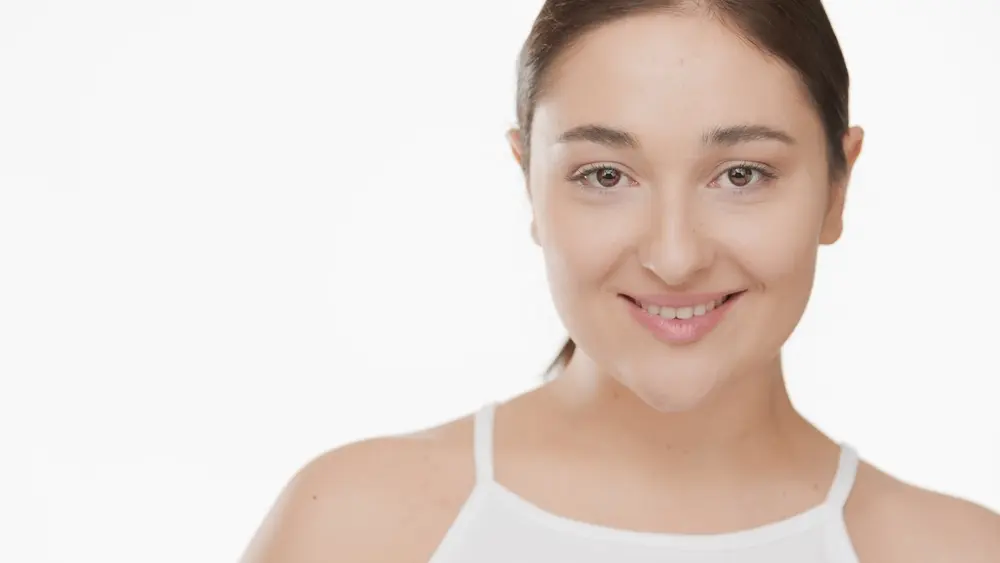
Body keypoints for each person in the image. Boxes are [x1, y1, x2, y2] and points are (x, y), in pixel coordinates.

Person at [240, 1, 1000, 561]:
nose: (674, 256)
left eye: (741, 174)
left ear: (838, 186)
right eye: (605, 174)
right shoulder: (353, 529)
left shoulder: (956, 551)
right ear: (528, 182)